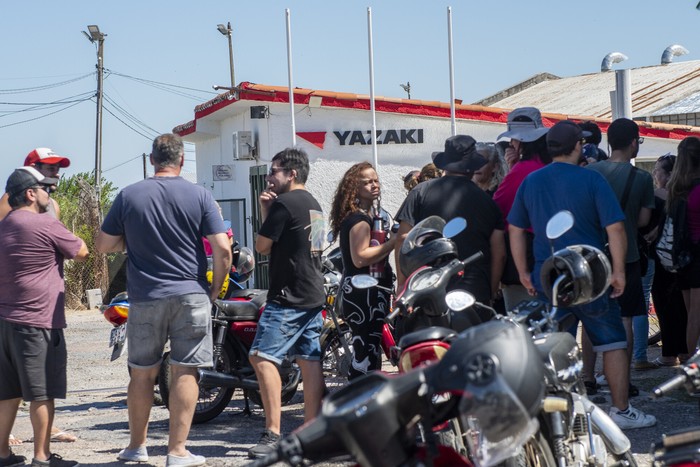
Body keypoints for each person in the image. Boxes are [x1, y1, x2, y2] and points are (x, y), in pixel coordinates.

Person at [508, 120, 656, 429]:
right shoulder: (592, 180)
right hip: (590, 275)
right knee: (613, 342)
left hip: (547, 277)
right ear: (578, 146)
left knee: (546, 344)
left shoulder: (531, 182)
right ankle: (621, 410)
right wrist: (618, 272)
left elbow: (516, 228)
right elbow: (615, 228)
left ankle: (550, 416)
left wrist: (523, 271)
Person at [96, 134, 232, 467]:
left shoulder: (129, 195)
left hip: (145, 297)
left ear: (153, 159)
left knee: (141, 374)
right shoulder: (200, 195)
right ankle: (177, 452)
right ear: (182, 160)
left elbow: (102, 244)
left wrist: (131, 242)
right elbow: (223, 249)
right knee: (186, 372)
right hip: (190, 294)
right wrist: (211, 293)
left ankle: (136, 447)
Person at [0, 166, 89, 467]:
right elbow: (82, 251)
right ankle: (42, 456)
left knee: (8, 392)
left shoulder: (3, 226)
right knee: (42, 392)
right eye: (44, 189)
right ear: (30, 193)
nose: (48, 194)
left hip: (4, 321)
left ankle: (2, 454)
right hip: (37, 321)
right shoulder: (44, 224)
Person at [248, 148, 326, 459]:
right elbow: (318, 248)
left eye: (274, 171)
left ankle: (273, 433)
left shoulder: (284, 203)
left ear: (291, 174)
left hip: (289, 295)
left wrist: (265, 210)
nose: (269, 177)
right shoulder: (315, 204)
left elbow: (263, 246)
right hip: (313, 293)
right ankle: (313, 431)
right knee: (310, 361)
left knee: (261, 357)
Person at [395, 135, 505, 305]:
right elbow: (499, 253)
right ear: (471, 167)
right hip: (473, 293)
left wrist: (402, 285)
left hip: (426, 289)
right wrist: (490, 291)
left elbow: (403, 239)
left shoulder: (420, 192)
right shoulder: (487, 202)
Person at [586, 118, 654, 382]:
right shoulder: (642, 178)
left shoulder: (591, 172)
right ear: (634, 142)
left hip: (593, 255)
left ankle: (588, 376)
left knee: (591, 315)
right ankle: (621, 379)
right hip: (627, 256)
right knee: (626, 318)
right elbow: (644, 221)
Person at [329, 162, 396, 380]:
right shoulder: (359, 220)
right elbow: (360, 258)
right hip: (364, 296)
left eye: (376, 180)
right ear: (354, 188)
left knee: (368, 353)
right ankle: (358, 402)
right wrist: (393, 242)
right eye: (367, 182)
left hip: (363, 294)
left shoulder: (362, 216)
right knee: (365, 356)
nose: (374, 185)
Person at [493, 107, 551, 311]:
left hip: (525, 258)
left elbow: (498, 208)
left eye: (514, 140)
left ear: (521, 142)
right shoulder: (547, 164)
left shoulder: (522, 170)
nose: (511, 144)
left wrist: (512, 169)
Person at [647, 154, 688, 366]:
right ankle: (685, 351)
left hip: (663, 259)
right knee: (683, 307)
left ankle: (669, 354)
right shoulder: (686, 196)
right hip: (684, 258)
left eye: (658, 171)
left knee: (665, 305)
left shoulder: (657, 197)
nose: (655, 175)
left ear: (669, 174)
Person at [667, 136, 700, 356]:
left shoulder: (675, 190)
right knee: (696, 315)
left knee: (692, 315)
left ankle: (692, 368)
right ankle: (694, 371)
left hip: (683, 258)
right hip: (698, 256)